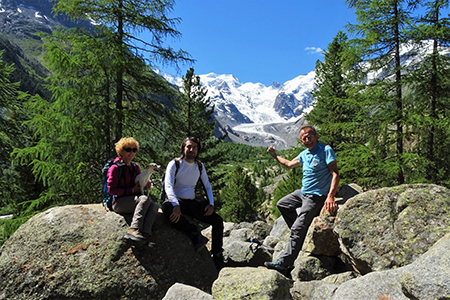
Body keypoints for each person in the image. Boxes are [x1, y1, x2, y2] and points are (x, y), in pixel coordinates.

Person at [264, 125, 340, 276]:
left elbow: (335, 174)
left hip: (316, 196)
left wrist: (330, 196)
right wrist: (274, 155)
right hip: (303, 193)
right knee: (283, 204)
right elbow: (289, 164)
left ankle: (284, 264)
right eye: (304, 138)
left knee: (298, 228)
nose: (307, 139)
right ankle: (300, 231)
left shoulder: (325, 150)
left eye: (309, 136)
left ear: (316, 136)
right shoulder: (305, 154)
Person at [161, 136, 224, 270]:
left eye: (194, 147)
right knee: (167, 209)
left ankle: (217, 255)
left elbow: (207, 186)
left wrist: (211, 204)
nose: (191, 150)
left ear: (198, 150)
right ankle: (192, 231)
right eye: (188, 146)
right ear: (183, 148)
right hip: (175, 201)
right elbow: (168, 186)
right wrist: (175, 205)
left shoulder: (199, 166)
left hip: (190, 203)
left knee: (218, 221)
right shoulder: (175, 164)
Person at [107, 137, 159, 246]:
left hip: (133, 201)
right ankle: (134, 230)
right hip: (119, 203)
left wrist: (145, 186)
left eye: (134, 150)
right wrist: (131, 190)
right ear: (121, 151)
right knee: (144, 199)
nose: (131, 153)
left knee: (154, 206)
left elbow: (139, 183)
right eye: (128, 150)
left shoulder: (135, 167)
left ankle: (145, 236)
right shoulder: (115, 168)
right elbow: (111, 190)